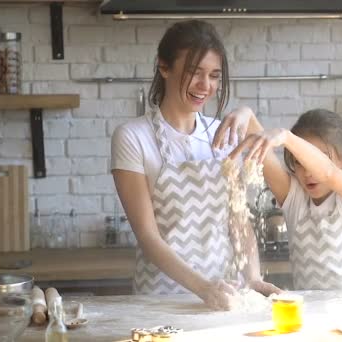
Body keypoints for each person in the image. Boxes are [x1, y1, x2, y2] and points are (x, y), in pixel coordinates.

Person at [111, 20, 280, 310]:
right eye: (194, 72)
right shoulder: (133, 137)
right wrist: (202, 288)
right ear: (164, 67)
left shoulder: (225, 135)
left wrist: (251, 278)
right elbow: (148, 237)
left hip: (224, 296)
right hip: (160, 299)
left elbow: (238, 220)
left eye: (214, 76)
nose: (206, 86)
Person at [220, 109, 342, 290]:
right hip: (305, 314)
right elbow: (265, 154)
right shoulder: (296, 200)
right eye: (299, 162)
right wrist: (247, 114)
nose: (308, 172)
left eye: (320, 158)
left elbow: (328, 173)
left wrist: (287, 137)